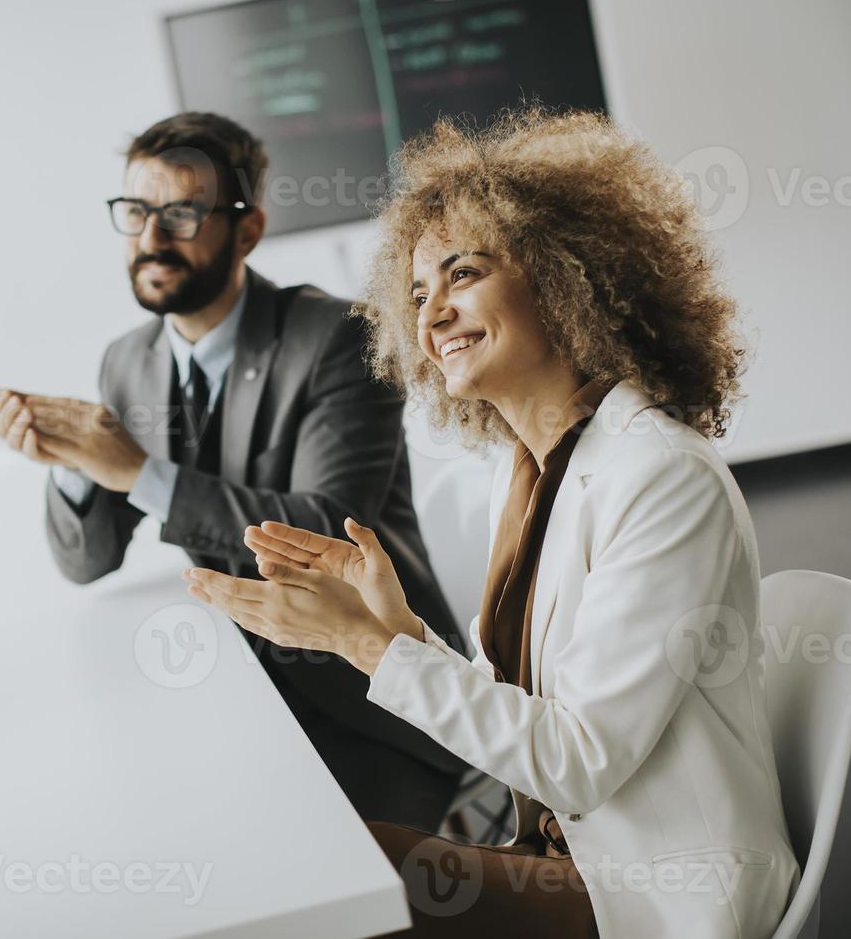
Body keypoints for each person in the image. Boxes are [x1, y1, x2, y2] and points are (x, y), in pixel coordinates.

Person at [183, 109, 800, 937]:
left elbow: (575, 764)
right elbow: (520, 722)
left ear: (561, 273)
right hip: (565, 856)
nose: (431, 314)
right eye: (416, 293)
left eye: (462, 273)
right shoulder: (535, 467)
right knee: (324, 861)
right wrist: (394, 631)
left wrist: (368, 647)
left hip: (654, 891)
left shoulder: (661, 476)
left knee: (338, 882)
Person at [0, 112, 469, 830]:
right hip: (231, 693)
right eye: (135, 213)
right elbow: (87, 562)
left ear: (247, 231)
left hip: (372, 707)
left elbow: (328, 537)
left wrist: (140, 473)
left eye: (181, 214)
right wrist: (71, 467)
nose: (151, 239)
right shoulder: (127, 360)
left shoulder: (340, 338)